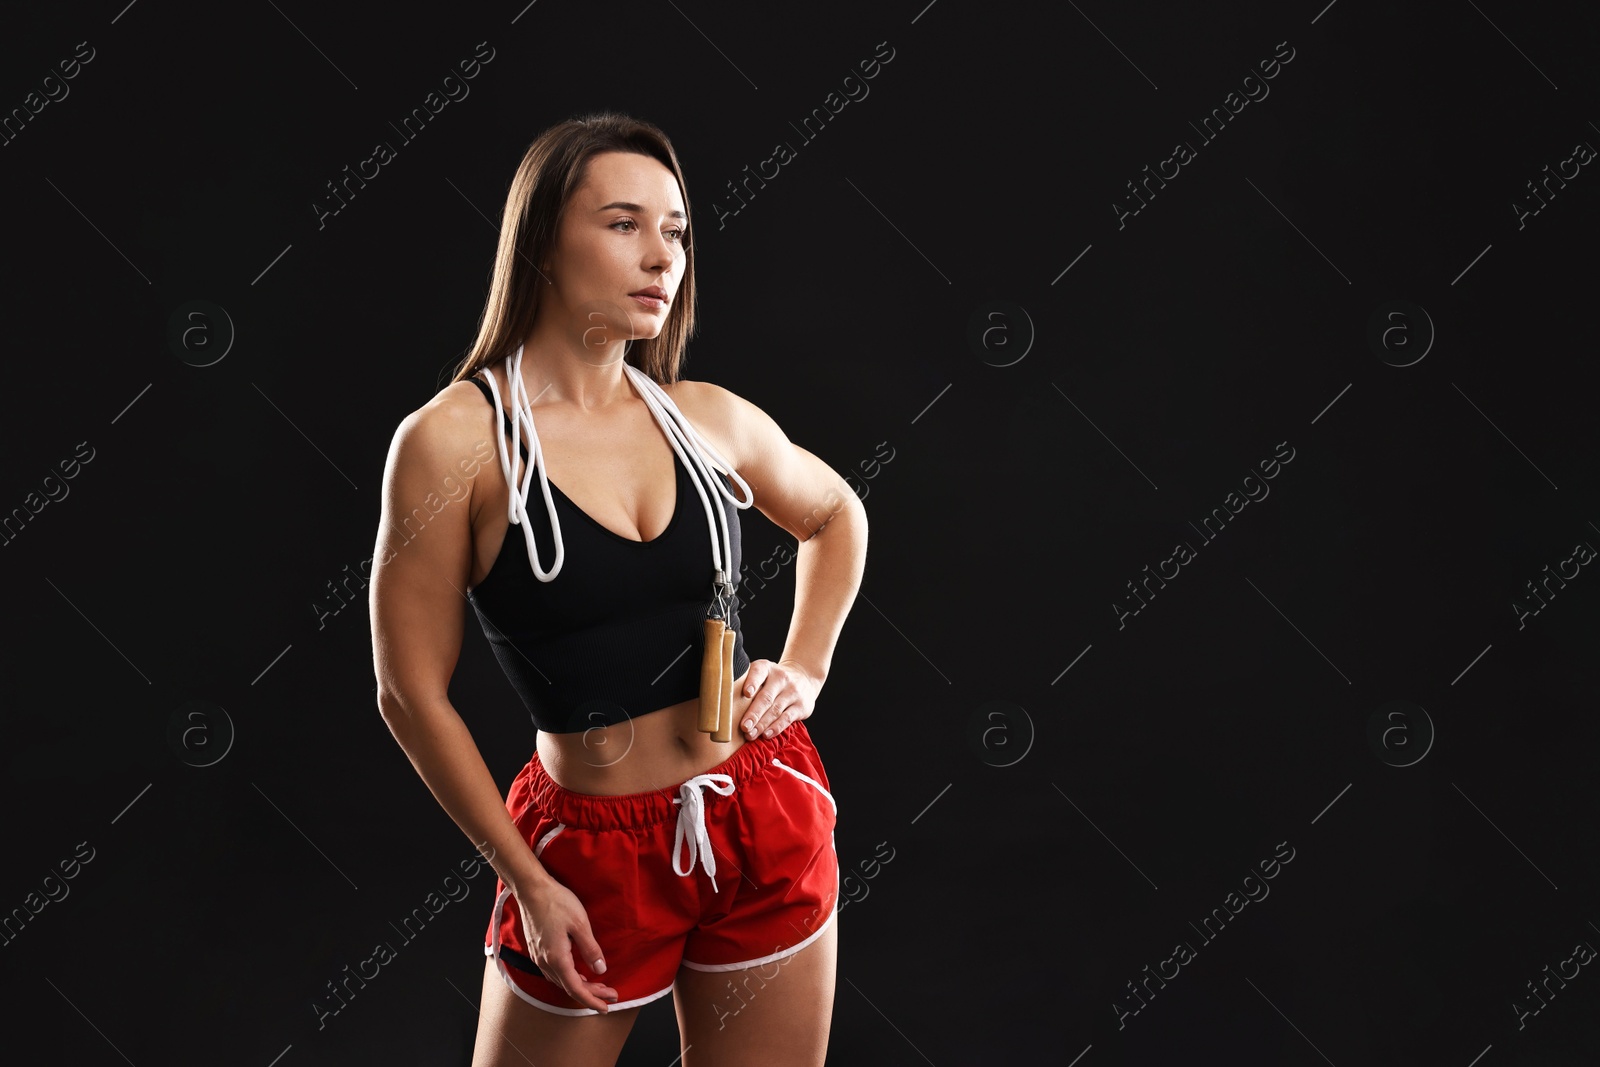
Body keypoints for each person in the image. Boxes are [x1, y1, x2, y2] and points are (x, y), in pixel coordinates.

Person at [369, 111, 868, 1067]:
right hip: (591, 854)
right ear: (544, 244)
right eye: (624, 223)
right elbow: (408, 691)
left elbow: (834, 512)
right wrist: (525, 878)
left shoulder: (702, 415)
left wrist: (805, 667)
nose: (661, 256)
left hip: (760, 811)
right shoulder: (454, 442)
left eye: (676, 231)